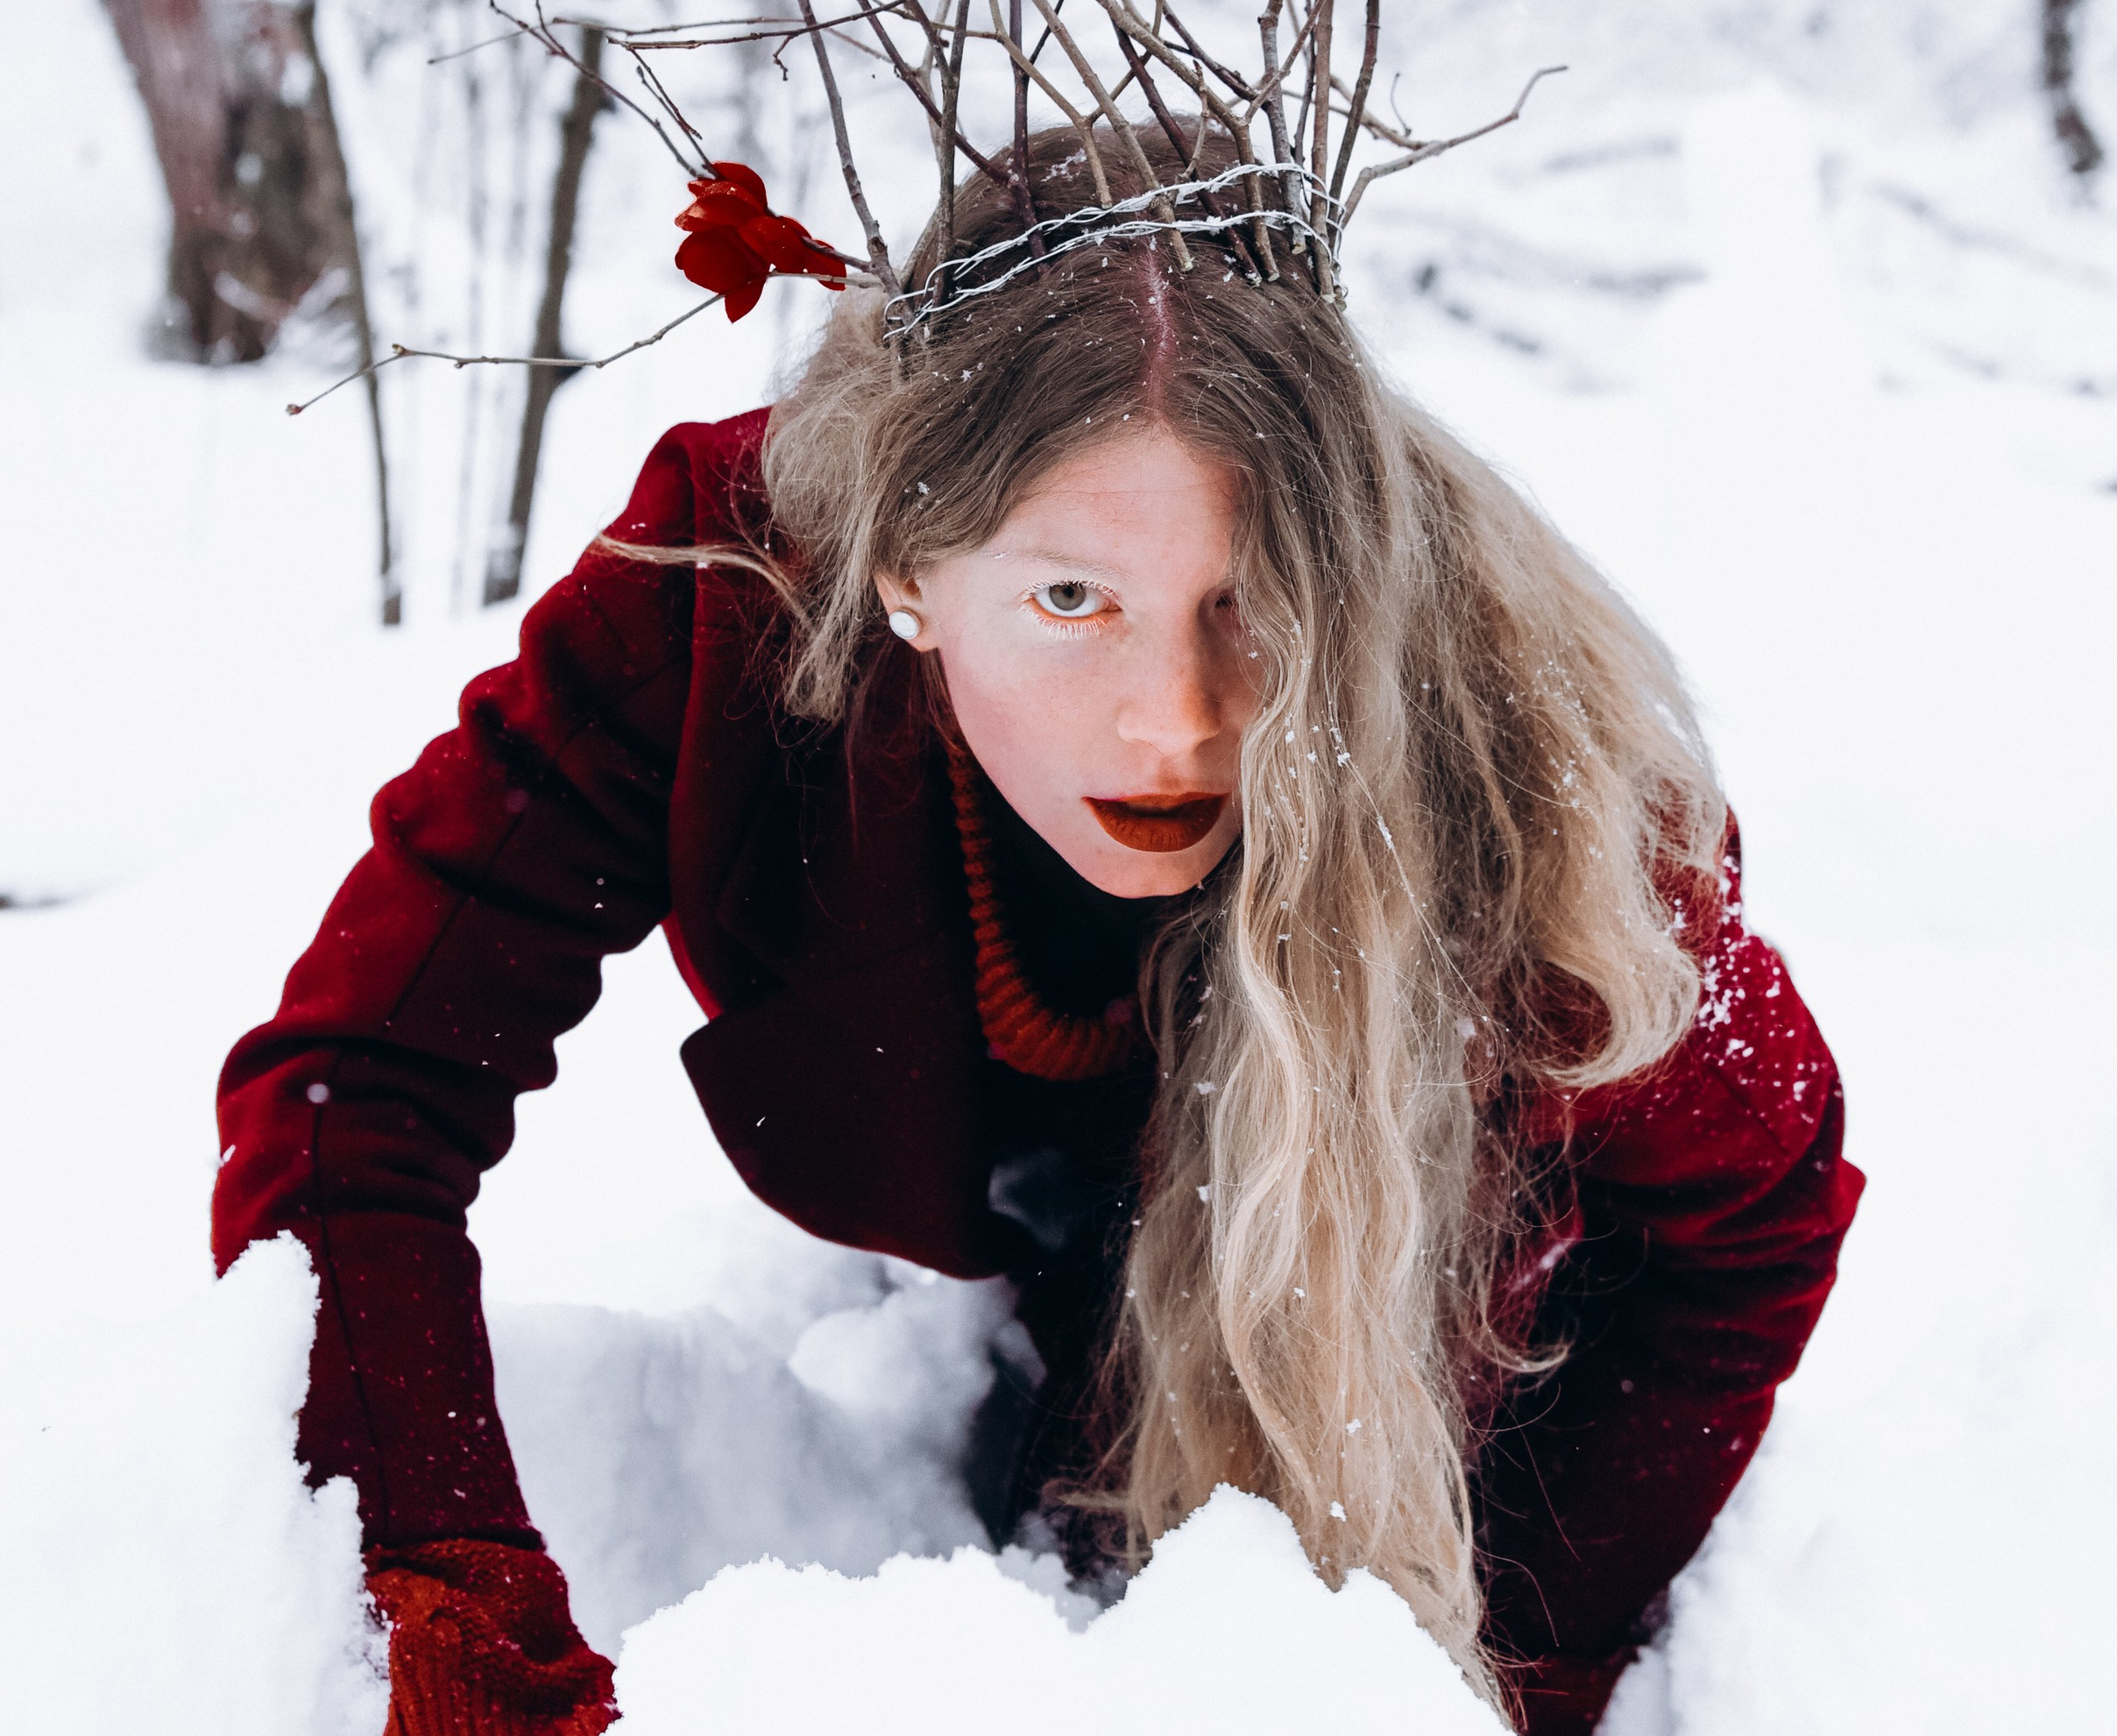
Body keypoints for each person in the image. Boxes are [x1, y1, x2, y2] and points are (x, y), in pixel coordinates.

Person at [214, 128, 1862, 1736]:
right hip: (966, 1187)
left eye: (1254, 605)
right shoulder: (722, 589)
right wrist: (456, 1600)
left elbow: (1759, 1212)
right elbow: (354, 1089)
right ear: (906, 573)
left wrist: (1516, 1664)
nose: (1178, 725)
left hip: (1326, 1279)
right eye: (1074, 600)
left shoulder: (1507, 775)